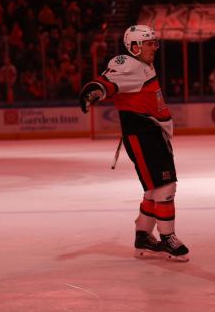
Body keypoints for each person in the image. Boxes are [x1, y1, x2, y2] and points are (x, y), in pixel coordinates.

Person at [79, 24, 189, 262]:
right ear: (134, 46)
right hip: (143, 135)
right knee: (165, 187)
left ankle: (143, 237)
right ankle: (167, 238)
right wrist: (95, 90)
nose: (154, 48)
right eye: (149, 43)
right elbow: (107, 82)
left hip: (153, 134)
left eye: (155, 43)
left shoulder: (143, 65)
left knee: (153, 189)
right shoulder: (127, 63)